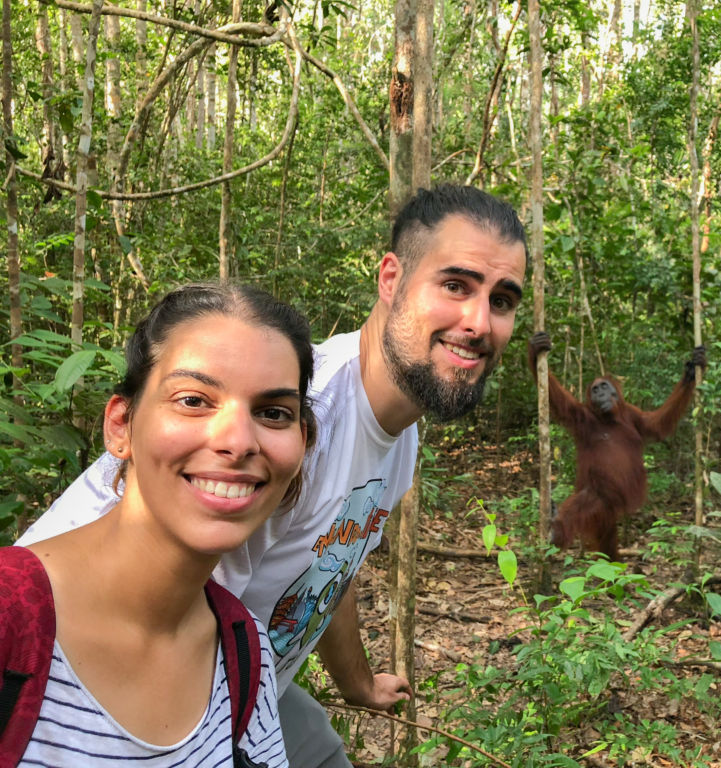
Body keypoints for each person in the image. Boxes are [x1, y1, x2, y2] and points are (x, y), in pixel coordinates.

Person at [19, 185, 529, 768]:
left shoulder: (400, 436)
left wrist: (358, 684)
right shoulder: (286, 425)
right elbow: (165, 610)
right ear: (391, 279)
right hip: (97, 686)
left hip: (252, 686)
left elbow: (329, 566)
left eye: (502, 300)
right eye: (455, 285)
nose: (478, 321)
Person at [5, 282, 318, 766]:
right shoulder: (11, 617)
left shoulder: (243, 649)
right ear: (121, 425)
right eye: (193, 400)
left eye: (273, 413)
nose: (238, 441)